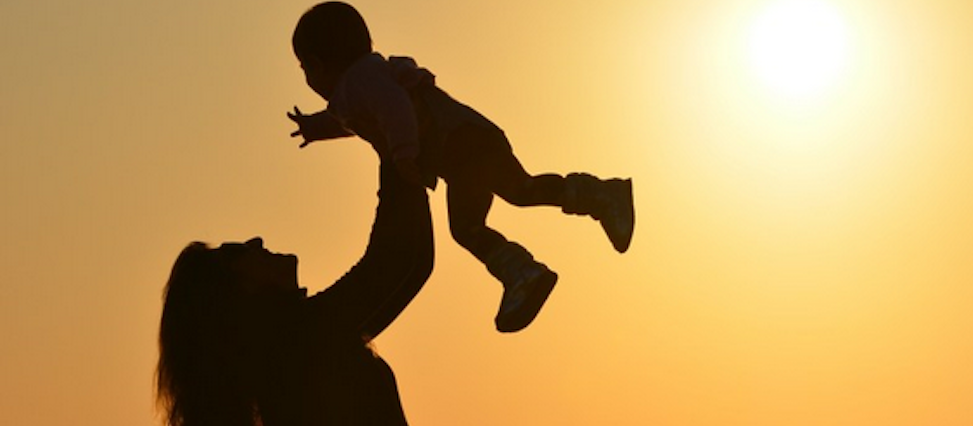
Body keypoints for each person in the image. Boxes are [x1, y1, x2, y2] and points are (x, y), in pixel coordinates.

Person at [286, 2, 635, 333]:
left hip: (462, 143)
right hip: (464, 148)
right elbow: (348, 120)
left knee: (489, 212)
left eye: (304, 69)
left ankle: (531, 265)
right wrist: (315, 128)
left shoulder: (360, 80)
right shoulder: (361, 85)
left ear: (316, 65)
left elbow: (394, 108)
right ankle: (549, 245)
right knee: (511, 197)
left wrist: (404, 153)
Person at [157, 161, 434, 426]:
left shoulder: (289, 350)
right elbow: (398, 262)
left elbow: (413, 262)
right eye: (236, 251)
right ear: (235, 292)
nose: (255, 241)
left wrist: (402, 153)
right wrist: (395, 144)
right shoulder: (300, 340)